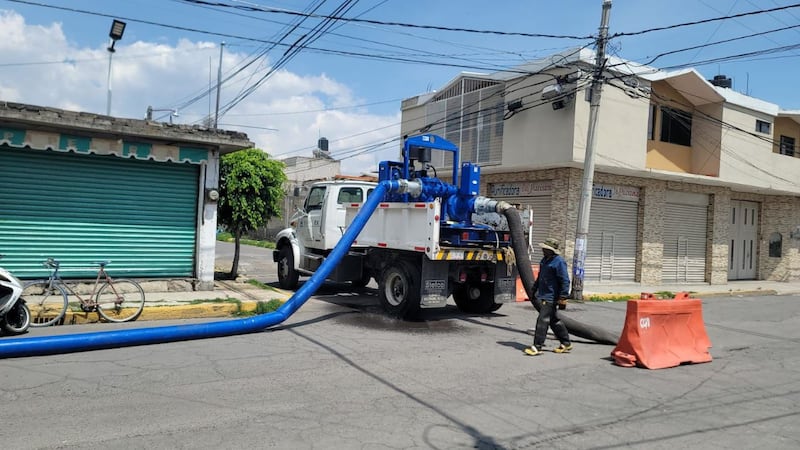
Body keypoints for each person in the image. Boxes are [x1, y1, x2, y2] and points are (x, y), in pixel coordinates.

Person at [524, 237, 573, 356]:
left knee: (542, 320)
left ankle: (537, 346)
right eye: (543, 248)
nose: (543, 250)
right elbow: (541, 276)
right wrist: (534, 288)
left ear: (552, 250)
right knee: (554, 320)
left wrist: (563, 297)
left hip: (552, 296)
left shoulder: (559, 262)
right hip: (544, 294)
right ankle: (566, 343)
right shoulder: (544, 260)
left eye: (546, 249)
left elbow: (565, 280)